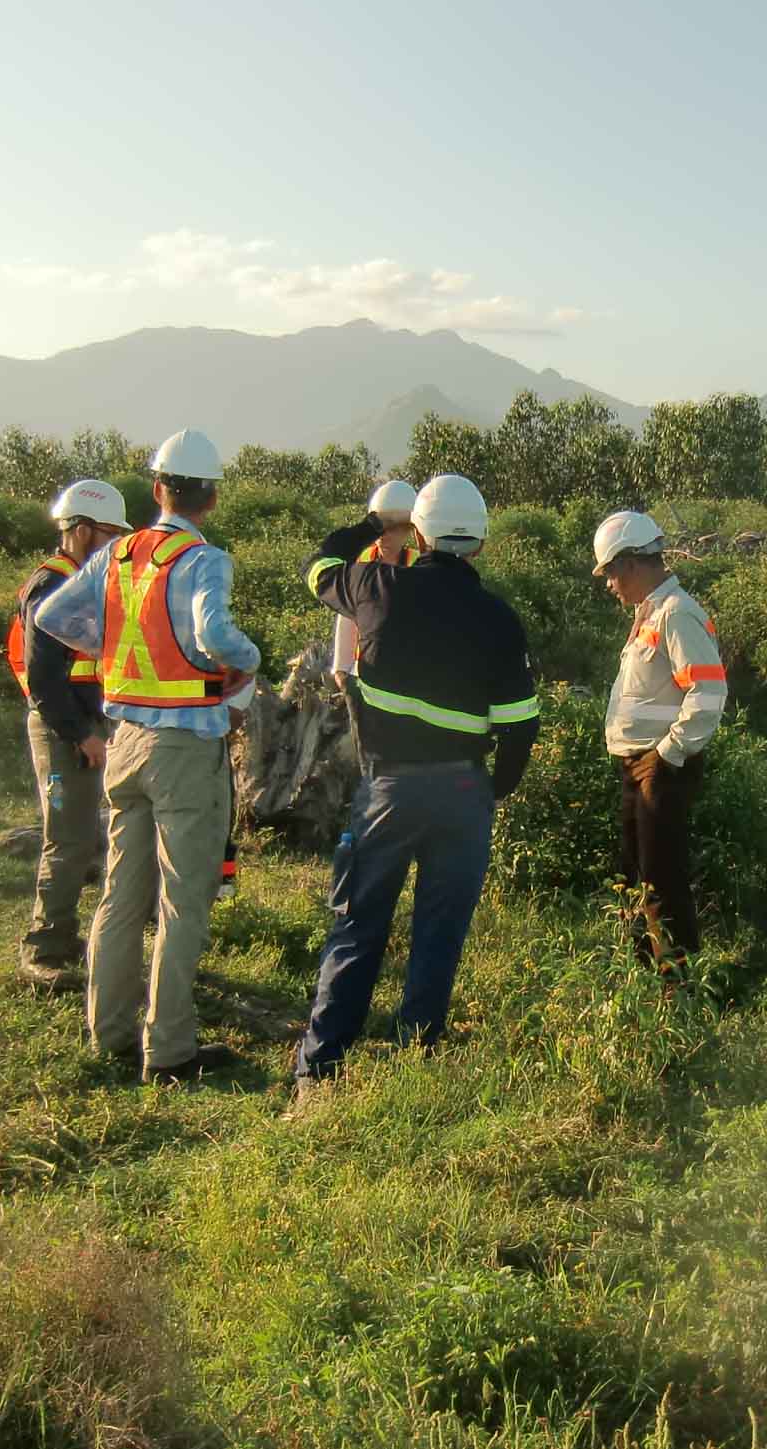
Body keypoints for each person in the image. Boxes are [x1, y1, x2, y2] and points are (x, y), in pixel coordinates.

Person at [289, 473, 539, 1105]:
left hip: (388, 789)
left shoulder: (375, 585)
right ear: (479, 544)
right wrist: (489, 791)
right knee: (439, 929)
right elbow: (519, 726)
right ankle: (415, 1058)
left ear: (419, 533)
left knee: (356, 926)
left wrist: (378, 525)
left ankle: (319, 1075)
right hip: (463, 793)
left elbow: (320, 564)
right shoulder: (499, 618)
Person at [34, 429, 260, 1084]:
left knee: (119, 896)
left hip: (124, 739)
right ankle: (168, 1051)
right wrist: (249, 660)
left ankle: (107, 1034)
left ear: (157, 489)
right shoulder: (204, 559)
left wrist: (110, 653)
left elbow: (52, 616)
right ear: (211, 498)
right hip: (184, 746)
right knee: (185, 900)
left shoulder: (119, 554)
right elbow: (216, 634)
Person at [593, 510, 727, 985]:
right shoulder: (651, 613)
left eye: (610, 571)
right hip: (640, 766)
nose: (609, 584)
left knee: (660, 884)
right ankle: (647, 979)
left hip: (661, 768)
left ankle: (679, 988)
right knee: (635, 876)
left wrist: (667, 755)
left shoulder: (677, 613)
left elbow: (708, 692)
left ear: (630, 563)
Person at [8, 478, 130, 990]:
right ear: (80, 531)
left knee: (85, 836)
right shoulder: (51, 583)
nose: (113, 547)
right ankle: (44, 949)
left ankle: (67, 934)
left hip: (87, 725)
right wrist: (81, 734)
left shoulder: (81, 580)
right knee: (67, 840)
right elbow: (44, 677)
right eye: (107, 535)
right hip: (63, 729)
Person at [329, 479, 419, 699]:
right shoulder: (360, 562)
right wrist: (341, 669)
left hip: (408, 678)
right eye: (380, 527)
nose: (385, 535)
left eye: (394, 528)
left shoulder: (419, 566)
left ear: (412, 529)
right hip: (363, 674)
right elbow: (348, 614)